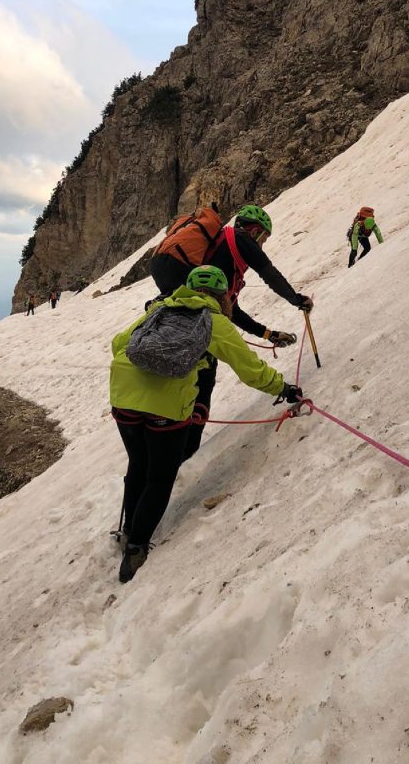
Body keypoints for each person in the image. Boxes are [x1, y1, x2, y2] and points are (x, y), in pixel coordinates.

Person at [109, 264, 304, 583]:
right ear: (223, 295)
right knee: (160, 477)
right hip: (167, 407)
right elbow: (250, 370)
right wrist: (284, 388)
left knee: (138, 465)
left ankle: (129, 528)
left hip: (122, 395)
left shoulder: (160, 307)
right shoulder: (214, 323)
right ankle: (136, 549)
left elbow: (119, 344)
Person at [149, 204, 313, 458]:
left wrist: (267, 334)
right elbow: (269, 273)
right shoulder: (240, 238)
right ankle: (181, 455)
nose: (262, 244)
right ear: (255, 230)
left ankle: (175, 450)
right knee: (204, 375)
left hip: (180, 309)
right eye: (264, 237)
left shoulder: (219, 259)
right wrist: (296, 299)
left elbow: (229, 309)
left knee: (194, 375)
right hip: (199, 324)